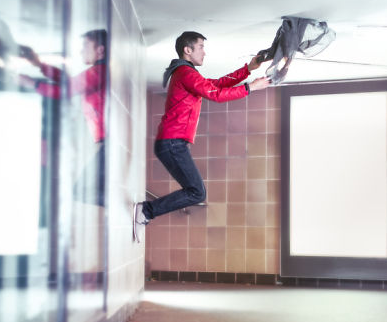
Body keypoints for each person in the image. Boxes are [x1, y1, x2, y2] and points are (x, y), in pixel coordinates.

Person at [132, 31, 270, 242]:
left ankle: (146, 211)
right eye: (201, 47)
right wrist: (251, 87)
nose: (204, 53)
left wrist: (248, 69)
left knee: (196, 191)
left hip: (172, 142)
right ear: (188, 50)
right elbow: (216, 95)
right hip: (172, 142)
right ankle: (145, 211)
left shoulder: (188, 73)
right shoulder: (185, 73)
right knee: (197, 192)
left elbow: (217, 84)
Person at [17, 29, 109, 206]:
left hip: (108, 142)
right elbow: (68, 82)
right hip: (106, 142)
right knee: (85, 191)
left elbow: (64, 90)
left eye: (85, 46)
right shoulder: (98, 71)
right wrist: (38, 64)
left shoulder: (97, 72)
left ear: (100, 50)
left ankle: (126, 212)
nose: (81, 51)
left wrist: (32, 83)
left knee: (82, 192)